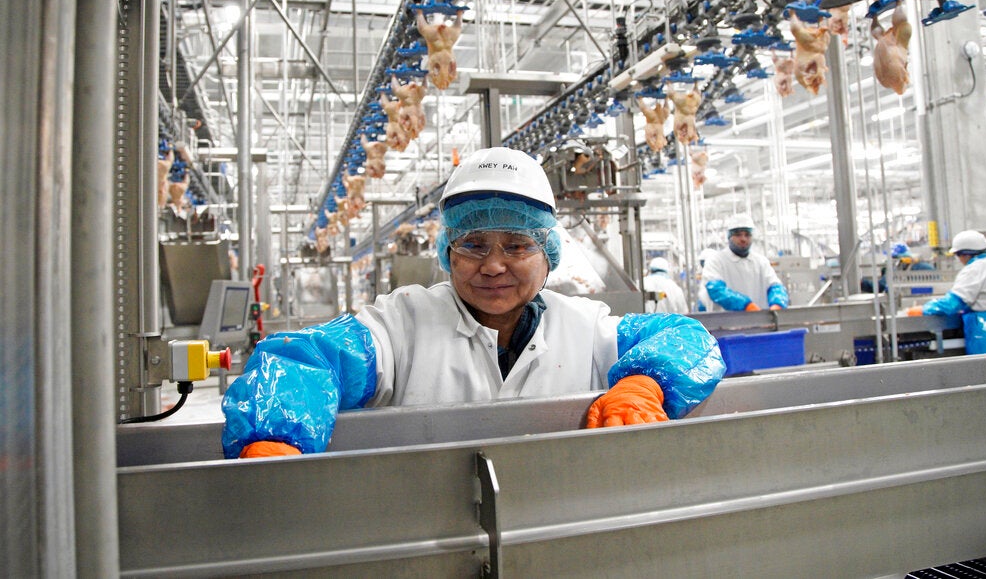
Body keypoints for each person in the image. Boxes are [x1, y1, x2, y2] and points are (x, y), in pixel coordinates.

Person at [222, 147, 726, 458]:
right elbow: (304, 361)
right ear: (448, 251)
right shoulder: (402, 325)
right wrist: (275, 437)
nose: (493, 265)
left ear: (548, 252)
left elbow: (686, 338)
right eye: (474, 245)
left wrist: (644, 384)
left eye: (517, 245)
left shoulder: (585, 327)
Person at [907, 229, 986, 354]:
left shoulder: (975, 268)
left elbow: (953, 303)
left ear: (965, 254)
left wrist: (924, 309)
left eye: (958, 255)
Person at [701, 214, 789, 312]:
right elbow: (716, 290)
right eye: (738, 234)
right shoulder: (716, 261)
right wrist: (746, 305)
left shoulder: (761, 262)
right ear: (729, 236)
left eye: (747, 234)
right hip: (724, 324)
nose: (743, 239)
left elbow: (775, 286)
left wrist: (777, 304)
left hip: (759, 323)